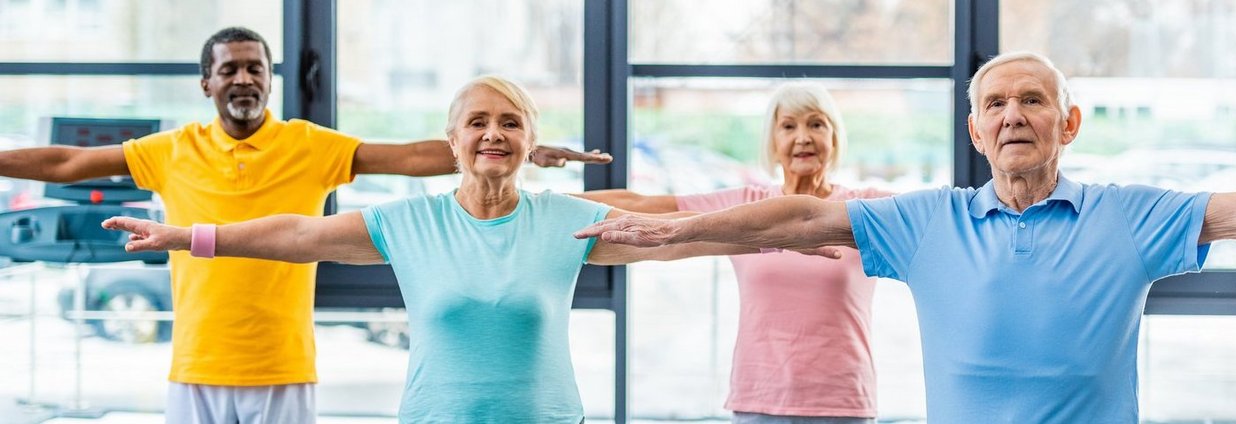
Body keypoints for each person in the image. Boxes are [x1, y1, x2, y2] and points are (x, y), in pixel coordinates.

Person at [575, 51, 1236, 423]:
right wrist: (678, 228)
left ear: (1070, 123)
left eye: (1033, 100)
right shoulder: (931, 218)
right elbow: (796, 217)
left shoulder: (1129, 216)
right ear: (974, 131)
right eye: (994, 104)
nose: (1012, 116)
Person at [102, 75, 838, 423]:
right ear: (452, 140)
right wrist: (190, 236)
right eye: (479, 122)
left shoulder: (563, 219)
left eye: (511, 123)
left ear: (527, 140)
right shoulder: (412, 222)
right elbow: (298, 234)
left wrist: (786, 229)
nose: (494, 134)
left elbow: (683, 233)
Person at [0, 27, 610, 423]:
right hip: (194, 364)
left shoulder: (308, 144)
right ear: (206, 82)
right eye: (230, 69)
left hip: (284, 366)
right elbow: (65, 162)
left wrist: (515, 147)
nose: (244, 79)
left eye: (256, 69)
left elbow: (407, 156)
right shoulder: (169, 149)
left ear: (271, 79)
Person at [577, 82, 888, 424]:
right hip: (759, 398)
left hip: (842, 401)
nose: (803, 137)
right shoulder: (747, 206)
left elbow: (932, 216)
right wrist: (534, 202)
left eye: (816, 124)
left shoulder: (864, 205)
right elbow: (644, 205)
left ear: (834, 137)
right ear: (772, 141)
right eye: (788, 126)